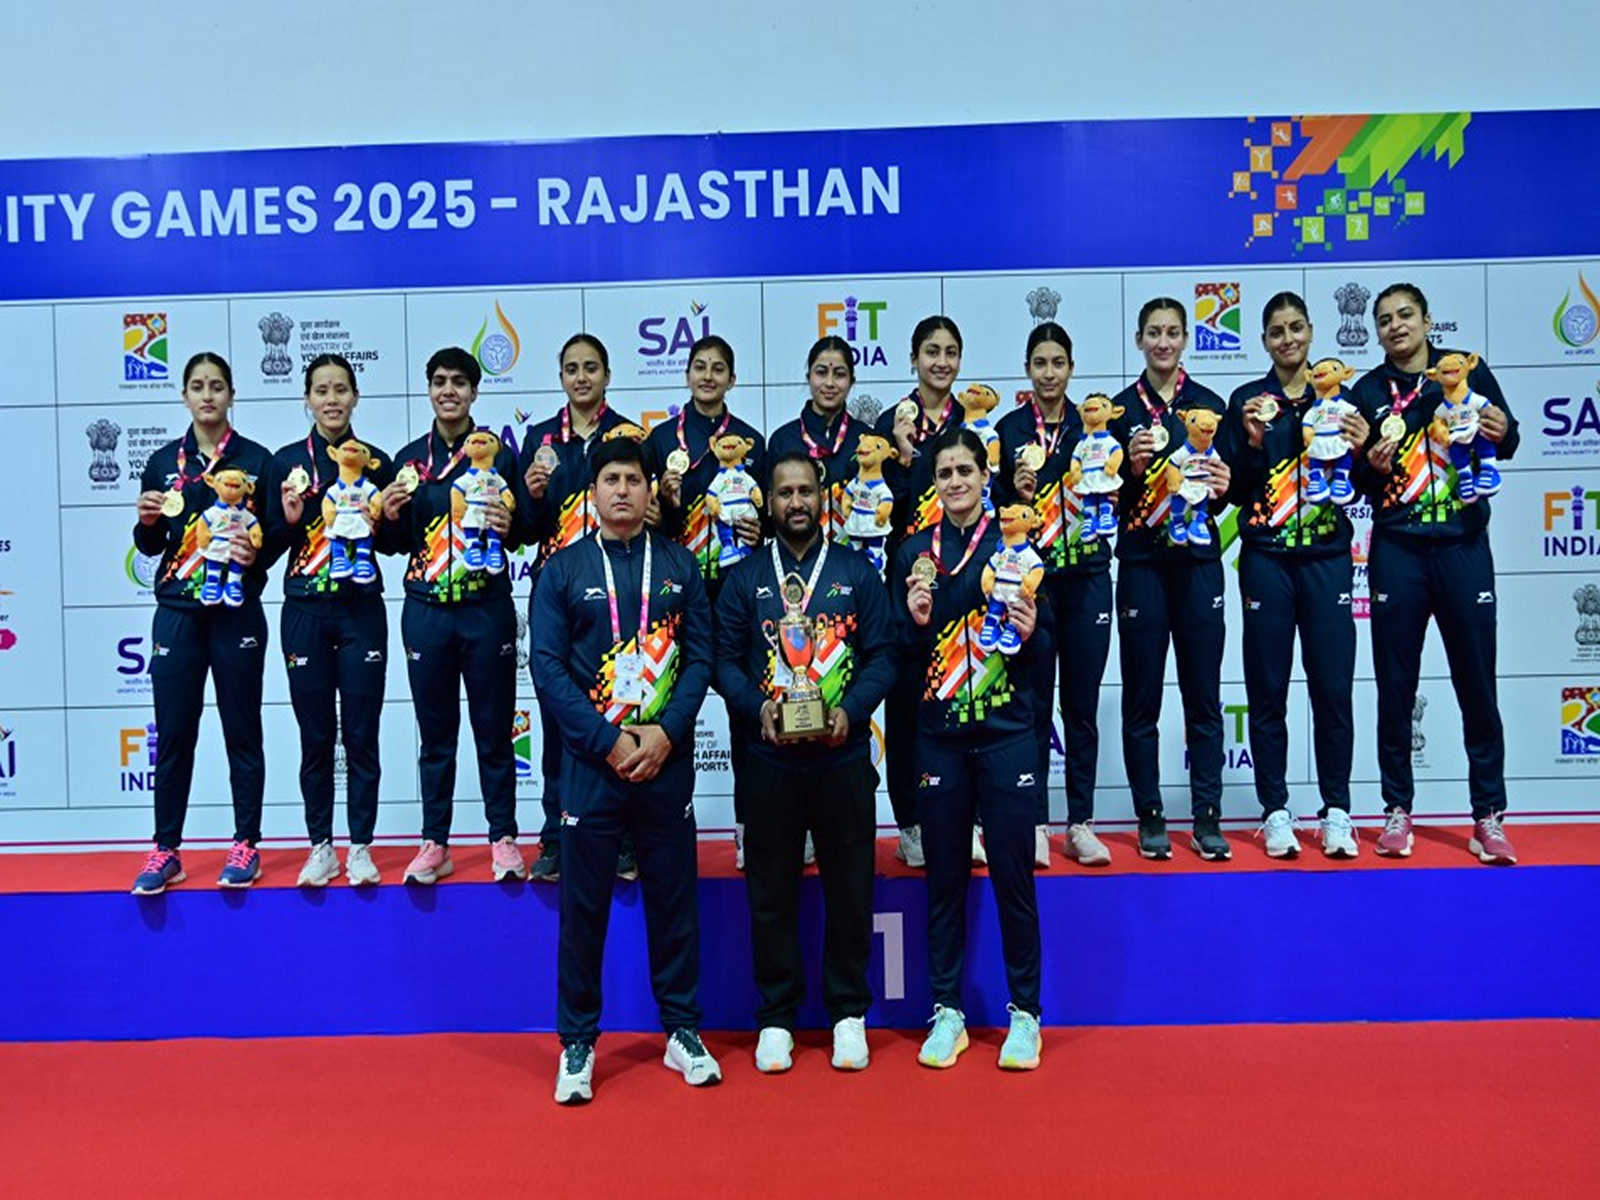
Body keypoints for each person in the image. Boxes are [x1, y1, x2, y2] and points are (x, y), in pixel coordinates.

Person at [532, 436, 718, 1104]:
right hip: (593, 765)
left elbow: (702, 658)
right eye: (609, 479)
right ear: (592, 491)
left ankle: (682, 1031)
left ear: (649, 490)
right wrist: (608, 740)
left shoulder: (678, 564)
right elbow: (547, 668)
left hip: (665, 763)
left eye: (633, 480)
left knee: (675, 902)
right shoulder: (562, 570)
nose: (622, 491)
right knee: (583, 909)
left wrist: (667, 733)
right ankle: (578, 1042)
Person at [714, 452, 896, 1073]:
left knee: (850, 889)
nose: (796, 501)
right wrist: (757, 707)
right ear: (768, 501)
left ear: (824, 498)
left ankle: (848, 1013)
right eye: (785, 492)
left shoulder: (855, 570)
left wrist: (853, 708)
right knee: (770, 893)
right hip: (769, 761)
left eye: (806, 491)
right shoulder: (743, 579)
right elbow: (724, 660)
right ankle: (776, 1017)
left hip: (841, 757)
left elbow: (885, 656)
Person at [892, 427, 1048, 1071]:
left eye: (966, 470)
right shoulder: (911, 554)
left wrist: (1035, 630)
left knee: (1013, 876)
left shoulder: (1019, 543)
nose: (955, 481)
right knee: (945, 878)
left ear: (987, 477)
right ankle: (948, 1010)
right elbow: (898, 646)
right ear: (934, 482)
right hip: (939, 736)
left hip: (1007, 731)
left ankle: (1026, 1015)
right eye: (945, 471)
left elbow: (1046, 643)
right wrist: (911, 616)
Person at [1350, 283, 1519, 864]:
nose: (1395, 326)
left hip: (1462, 545)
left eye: (1405, 316)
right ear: (1376, 332)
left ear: (1427, 320)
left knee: (1478, 681)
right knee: (1396, 685)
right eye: (1385, 320)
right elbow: (1355, 483)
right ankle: (1397, 809)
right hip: (1397, 548)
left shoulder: (1463, 370)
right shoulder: (1368, 391)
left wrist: (1501, 426)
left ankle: (1488, 815)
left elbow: (1509, 439)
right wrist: (1369, 466)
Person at [1221, 294, 1366, 859]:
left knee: (1333, 689)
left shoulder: (1342, 400)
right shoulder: (1246, 403)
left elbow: (1359, 488)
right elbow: (1231, 491)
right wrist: (1254, 448)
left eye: (1296, 328)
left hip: (1328, 558)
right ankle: (1275, 809)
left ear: (1310, 332)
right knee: (1268, 687)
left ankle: (1338, 811)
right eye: (1276, 331)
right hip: (1267, 558)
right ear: (1264, 341)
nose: (1287, 338)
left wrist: (1360, 447)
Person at [130, 352, 280, 894]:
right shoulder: (163, 462)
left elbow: (274, 544)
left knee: (242, 731)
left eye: (217, 386)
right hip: (177, 614)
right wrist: (145, 523)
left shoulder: (259, 461)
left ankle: (246, 844)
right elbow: (151, 544)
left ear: (232, 394)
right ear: (185, 396)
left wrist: (253, 553)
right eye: (197, 386)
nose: (208, 395)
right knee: (174, 734)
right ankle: (165, 849)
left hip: (236, 612)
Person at [381, 347, 529, 884]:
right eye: (440, 381)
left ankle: (503, 838)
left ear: (475, 392)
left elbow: (528, 530)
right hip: (426, 612)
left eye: (460, 382)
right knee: (436, 734)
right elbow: (395, 543)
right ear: (428, 389)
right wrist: (391, 516)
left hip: (485, 610)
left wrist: (511, 519)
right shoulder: (408, 460)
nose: (449, 391)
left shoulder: (498, 455)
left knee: (493, 730)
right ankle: (435, 842)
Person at [1108, 298, 1234, 861]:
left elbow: (1228, 489)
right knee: (1142, 700)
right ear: (1139, 340)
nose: (1163, 342)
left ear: (1186, 339)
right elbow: (1098, 501)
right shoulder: (1115, 411)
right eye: (1153, 332)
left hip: (1199, 566)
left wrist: (1228, 480)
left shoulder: (1210, 406)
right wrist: (1128, 471)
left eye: (1173, 332)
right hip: (1141, 565)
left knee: (1204, 697)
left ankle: (1208, 817)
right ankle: (1150, 815)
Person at [519, 333, 642, 884]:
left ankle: (623, 840)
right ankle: (554, 837)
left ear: (607, 375)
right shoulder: (538, 438)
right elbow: (522, 529)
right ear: (561, 377)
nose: (581, 377)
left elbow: (651, 508)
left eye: (591, 367)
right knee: (558, 719)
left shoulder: (631, 436)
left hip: (621, 592)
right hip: (557, 592)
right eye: (571, 368)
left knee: (624, 712)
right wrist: (533, 496)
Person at [273, 353, 396, 886]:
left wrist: (388, 518)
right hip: (304, 608)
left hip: (361, 610)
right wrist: (289, 520)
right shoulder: (284, 464)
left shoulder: (378, 463)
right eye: (321, 390)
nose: (331, 399)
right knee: (316, 735)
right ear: (307, 398)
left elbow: (398, 544)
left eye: (341, 390)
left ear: (355, 398)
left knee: (363, 733)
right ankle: (321, 845)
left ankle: (362, 847)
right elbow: (266, 544)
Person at [995, 322, 1112, 867]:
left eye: (1058, 363)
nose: (1049, 373)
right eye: (1039, 363)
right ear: (1027, 369)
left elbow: (1120, 488)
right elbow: (991, 509)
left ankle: (1081, 822)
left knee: (1081, 706)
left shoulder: (1095, 424)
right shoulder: (1009, 427)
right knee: (1032, 703)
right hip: (1030, 585)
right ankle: (1036, 821)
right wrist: (1010, 489)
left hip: (1087, 575)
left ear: (1070, 368)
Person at [647, 335, 766, 867]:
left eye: (720, 368)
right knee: (678, 712)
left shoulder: (751, 441)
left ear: (732, 380)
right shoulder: (659, 440)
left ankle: (750, 827)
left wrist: (757, 529)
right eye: (700, 367)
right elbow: (652, 523)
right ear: (687, 374)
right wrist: (667, 506)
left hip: (737, 592)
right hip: (679, 591)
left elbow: (769, 523)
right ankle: (674, 826)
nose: (709, 376)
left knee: (745, 715)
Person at [874, 316, 969, 868]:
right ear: (912, 359)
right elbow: (883, 512)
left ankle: (965, 817)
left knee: (965, 698)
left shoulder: (974, 423)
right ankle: (909, 823)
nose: (940, 361)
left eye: (950, 352)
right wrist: (906, 458)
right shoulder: (892, 425)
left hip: (966, 583)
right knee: (907, 706)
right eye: (930, 351)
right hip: (907, 583)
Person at [766, 336, 865, 545]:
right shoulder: (783, 440)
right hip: (797, 561)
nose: (829, 383)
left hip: (855, 563)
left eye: (839, 374)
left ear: (852, 381)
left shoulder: (866, 440)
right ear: (808, 376)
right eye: (821, 373)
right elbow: (770, 517)